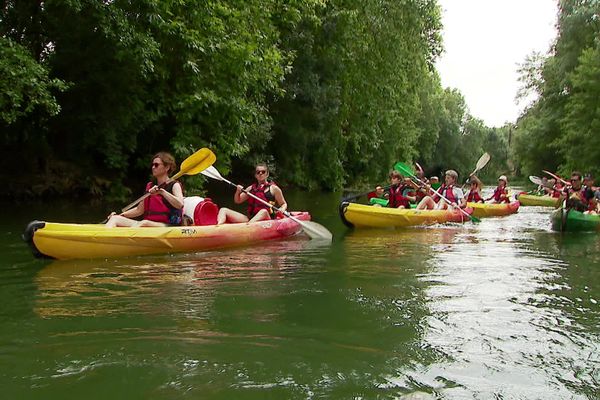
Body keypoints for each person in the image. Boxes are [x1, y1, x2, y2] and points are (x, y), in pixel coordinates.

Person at [106, 152, 184, 227]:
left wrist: (162, 192)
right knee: (115, 218)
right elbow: (139, 210)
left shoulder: (174, 185)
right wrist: (121, 215)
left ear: (167, 167)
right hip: (149, 224)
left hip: (168, 225)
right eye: (152, 165)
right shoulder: (150, 186)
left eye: (156, 165)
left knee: (144, 223)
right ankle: (104, 238)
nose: (153, 167)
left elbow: (180, 204)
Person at [217, 163, 287, 224]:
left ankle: (247, 227)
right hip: (251, 218)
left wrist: (282, 209)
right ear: (255, 175)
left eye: (263, 172)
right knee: (223, 210)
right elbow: (238, 200)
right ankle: (218, 226)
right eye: (258, 172)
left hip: (267, 219)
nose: (260, 173)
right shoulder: (251, 188)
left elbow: (283, 204)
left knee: (263, 211)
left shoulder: (274, 189)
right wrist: (238, 191)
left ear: (267, 174)